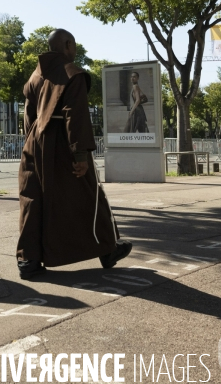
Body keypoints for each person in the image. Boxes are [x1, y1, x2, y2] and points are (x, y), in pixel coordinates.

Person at [17, 29, 132, 279]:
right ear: (67, 44)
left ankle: (29, 260)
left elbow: (28, 117)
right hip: (62, 143)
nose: (76, 50)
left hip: (34, 143)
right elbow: (75, 115)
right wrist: (80, 155)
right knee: (89, 195)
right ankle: (108, 249)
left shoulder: (35, 76)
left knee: (33, 198)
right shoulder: (72, 73)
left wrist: (33, 144)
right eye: (75, 45)